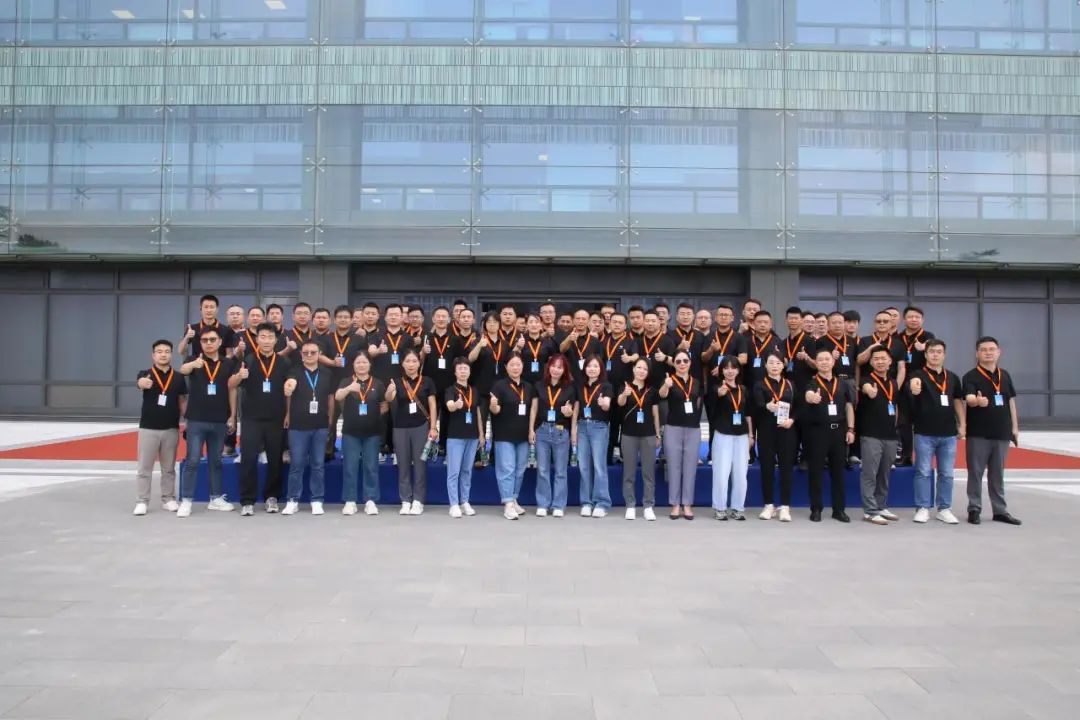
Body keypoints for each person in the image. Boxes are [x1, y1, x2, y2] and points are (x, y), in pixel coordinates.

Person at [230, 323, 290, 516]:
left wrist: (288, 414)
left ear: (276, 340)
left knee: (275, 460)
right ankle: (247, 500)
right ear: (256, 339)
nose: (266, 341)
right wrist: (239, 376)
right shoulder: (248, 359)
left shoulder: (283, 362)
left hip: (276, 418)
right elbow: (230, 384)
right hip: (251, 419)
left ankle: (272, 497)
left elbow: (289, 390)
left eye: (270, 337)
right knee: (248, 459)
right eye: (262, 337)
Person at [177, 328, 237, 518]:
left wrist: (232, 415)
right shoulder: (194, 360)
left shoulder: (228, 363)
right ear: (200, 343)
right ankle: (186, 500)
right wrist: (193, 364)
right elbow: (183, 370)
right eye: (204, 340)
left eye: (212, 339)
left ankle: (215, 498)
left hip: (219, 420)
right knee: (193, 460)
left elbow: (232, 389)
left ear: (220, 342)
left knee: (216, 461)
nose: (209, 343)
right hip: (196, 420)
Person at [963, 337, 1022, 526]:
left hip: (1002, 432)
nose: (988, 352)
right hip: (978, 433)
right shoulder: (971, 376)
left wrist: (1014, 428)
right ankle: (974, 508)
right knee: (975, 472)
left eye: (991, 349)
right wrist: (977, 401)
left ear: (999, 352)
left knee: (998, 474)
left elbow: (1010, 401)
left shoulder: (1005, 375)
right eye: (984, 349)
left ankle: (1000, 510)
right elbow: (969, 398)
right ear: (977, 353)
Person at [906, 338, 963, 525]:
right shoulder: (917, 375)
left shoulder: (952, 377)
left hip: (948, 433)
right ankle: (922, 508)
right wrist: (913, 387)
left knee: (947, 473)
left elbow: (957, 401)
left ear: (944, 355)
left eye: (939, 352)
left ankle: (944, 508)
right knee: (923, 471)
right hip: (924, 432)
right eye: (932, 351)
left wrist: (963, 424)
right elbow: (913, 385)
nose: (935, 355)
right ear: (925, 354)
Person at [133, 339, 187, 515]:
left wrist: (186, 421)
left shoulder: (178, 377)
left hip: (171, 428)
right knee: (144, 468)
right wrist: (142, 383)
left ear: (171, 354)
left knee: (169, 468)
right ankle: (142, 501)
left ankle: (168, 499)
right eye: (159, 351)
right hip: (148, 428)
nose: (163, 354)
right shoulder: (145, 374)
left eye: (166, 351)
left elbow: (182, 400)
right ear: (153, 355)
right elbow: (140, 383)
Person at [802, 348, 856, 523]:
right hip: (818, 432)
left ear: (833, 362)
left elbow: (848, 407)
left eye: (827, 359)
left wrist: (851, 429)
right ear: (816, 363)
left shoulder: (843, 384)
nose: (824, 362)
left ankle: (838, 510)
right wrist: (812, 397)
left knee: (838, 472)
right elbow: (808, 395)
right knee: (816, 471)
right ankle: (816, 509)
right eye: (820, 360)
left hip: (839, 432)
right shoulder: (812, 383)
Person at [282, 340, 335, 515]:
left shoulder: (327, 373)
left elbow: (330, 398)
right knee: (297, 464)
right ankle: (292, 499)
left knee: (318, 464)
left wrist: (330, 419)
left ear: (319, 354)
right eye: (306, 353)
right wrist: (288, 412)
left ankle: (317, 500)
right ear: (301, 354)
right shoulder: (294, 371)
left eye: (313, 352)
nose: (310, 355)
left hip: (320, 425)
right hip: (298, 425)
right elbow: (289, 389)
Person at [386, 349, 438, 515]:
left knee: (420, 464)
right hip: (400, 427)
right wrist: (390, 390)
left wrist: (433, 427)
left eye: (414, 361)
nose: (411, 364)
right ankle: (405, 500)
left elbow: (432, 405)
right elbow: (388, 398)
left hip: (421, 426)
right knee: (403, 464)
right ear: (402, 363)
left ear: (419, 363)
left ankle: (418, 500)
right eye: (407, 361)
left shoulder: (427, 381)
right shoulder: (396, 381)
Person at [336, 353, 387, 516]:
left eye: (364, 362)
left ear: (370, 365)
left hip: (372, 432)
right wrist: (349, 388)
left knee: (371, 466)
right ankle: (350, 500)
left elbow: (384, 405)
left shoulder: (378, 383)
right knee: (350, 467)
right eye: (358, 362)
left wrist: (373, 415)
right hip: (350, 431)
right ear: (353, 365)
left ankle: (370, 500)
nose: (361, 365)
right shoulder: (346, 381)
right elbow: (337, 396)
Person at [530, 354, 578, 517]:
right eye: (553, 366)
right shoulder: (539, 385)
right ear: (548, 367)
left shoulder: (570, 388)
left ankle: (558, 505)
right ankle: (543, 504)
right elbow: (534, 409)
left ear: (564, 370)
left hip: (560, 431)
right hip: (542, 430)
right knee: (542, 469)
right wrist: (531, 429)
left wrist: (568, 412)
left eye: (560, 367)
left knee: (560, 471)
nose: (556, 370)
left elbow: (572, 411)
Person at [857, 346, 900, 526]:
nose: (880, 361)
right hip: (871, 435)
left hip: (890, 435)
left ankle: (881, 506)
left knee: (884, 473)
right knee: (870, 473)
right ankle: (870, 511)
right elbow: (866, 388)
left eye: (883, 358)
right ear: (871, 362)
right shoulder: (867, 380)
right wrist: (870, 391)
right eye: (876, 359)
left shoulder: (893, 383)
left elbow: (895, 406)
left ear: (890, 361)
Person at [489, 354, 535, 520]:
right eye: (512, 365)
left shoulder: (528, 387)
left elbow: (532, 410)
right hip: (504, 434)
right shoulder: (499, 386)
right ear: (506, 367)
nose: (515, 368)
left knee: (520, 469)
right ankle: (507, 502)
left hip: (523, 435)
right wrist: (493, 405)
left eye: (518, 364)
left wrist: (531, 430)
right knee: (507, 469)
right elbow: (495, 410)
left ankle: (514, 498)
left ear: (523, 366)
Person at [659, 349, 703, 520]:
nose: (682, 364)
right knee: (674, 467)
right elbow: (661, 395)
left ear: (690, 363)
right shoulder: (669, 380)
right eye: (678, 361)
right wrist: (666, 385)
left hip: (693, 429)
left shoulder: (696, 382)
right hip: (673, 428)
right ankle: (675, 504)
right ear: (674, 364)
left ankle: (687, 504)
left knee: (690, 467)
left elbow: (698, 403)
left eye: (685, 360)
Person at [753, 353, 795, 522]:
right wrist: (766, 406)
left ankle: (785, 506)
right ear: (765, 366)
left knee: (786, 468)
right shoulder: (759, 384)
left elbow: (799, 407)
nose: (775, 366)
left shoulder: (790, 384)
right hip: (766, 431)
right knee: (767, 468)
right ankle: (768, 504)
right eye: (771, 363)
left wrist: (792, 420)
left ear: (783, 365)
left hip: (786, 430)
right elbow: (756, 405)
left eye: (778, 363)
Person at [617, 358, 661, 521]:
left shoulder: (652, 390)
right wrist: (624, 394)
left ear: (648, 372)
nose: (642, 371)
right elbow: (620, 403)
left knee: (648, 473)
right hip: (629, 434)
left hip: (648, 435)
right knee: (629, 472)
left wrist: (658, 434)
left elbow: (655, 414)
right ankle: (630, 505)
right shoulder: (625, 387)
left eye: (645, 369)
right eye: (639, 367)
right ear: (633, 369)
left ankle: (648, 505)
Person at [710, 358, 752, 521]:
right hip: (723, 435)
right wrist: (718, 395)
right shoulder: (716, 388)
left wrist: (750, 435)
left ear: (738, 370)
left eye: (733, 368)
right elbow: (711, 410)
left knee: (741, 474)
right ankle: (720, 507)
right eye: (726, 368)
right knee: (721, 473)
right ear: (721, 370)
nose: (730, 371)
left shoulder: (744, 389)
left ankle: (738, 507)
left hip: (742, 436)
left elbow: (748, 414)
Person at [319, 305, 361, 461]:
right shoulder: (326, 338)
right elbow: (319, 355)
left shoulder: (358, 339)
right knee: (330, 419)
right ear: (334, 320)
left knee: (352, 419)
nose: (343, 320)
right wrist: (332, 362)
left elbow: (363, 359)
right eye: (340, 317)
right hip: (331, 384)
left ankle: (350, 450)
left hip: (352, 384)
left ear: (351, 320)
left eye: (346, 317)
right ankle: (328, 450)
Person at [443, 358, 483, 518]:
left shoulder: (474, 391)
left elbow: (477, 412)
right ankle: (453, 504)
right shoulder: (450, 390)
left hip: (472, 436)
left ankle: (465, 501)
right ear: (455, 372)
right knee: (454, 471)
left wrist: (481, 434)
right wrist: (455, 405)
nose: (463, 371)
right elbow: (449, 406)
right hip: (455, 436)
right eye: (460, 368)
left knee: (467, 470)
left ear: (469, 371)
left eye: (465, 368)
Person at [898, 306, 935, 466]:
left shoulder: (928, 337)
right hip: (902, 383)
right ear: (904, 319)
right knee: (903, 421)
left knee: (922, 420)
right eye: (910, 317)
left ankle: (923, 458)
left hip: (922, 383)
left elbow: (935, 355)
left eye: (917, 317)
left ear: (922, 320)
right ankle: (906, 455)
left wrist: (926, 348)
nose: (914, 319)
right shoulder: (898, 337)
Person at [577, 355, 613, 518]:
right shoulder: (581, 386)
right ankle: (586, 502)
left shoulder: (606, 386)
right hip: (582, 426)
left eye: (596, 366)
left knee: (599, 466)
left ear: (601, 369)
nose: (592, 369)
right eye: (589, 366)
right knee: (584, 466)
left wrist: (603, 403)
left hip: (599, 427)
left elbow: (607, 405)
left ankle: (602, 502)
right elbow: (576, 407)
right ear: (585, 368)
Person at [603, 313, 639, 463]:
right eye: (614, 322)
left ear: (625, 325)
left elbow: (636, 356)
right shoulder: (603, 341)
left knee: (624, 423)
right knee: (609, 424)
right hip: (606, 388)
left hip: (624, 389)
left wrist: (630, 358)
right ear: (609, 323)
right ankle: (607, 457)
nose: (617, 325)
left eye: (620, 322)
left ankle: (625, 456)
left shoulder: (631, 342)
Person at [178, 294, 235, 359]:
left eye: (212, 307)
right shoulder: (192, 328)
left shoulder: (227, 330)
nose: (209, 310)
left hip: (219, 364)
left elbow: (230, 354)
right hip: (197, 364)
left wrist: (222, 363)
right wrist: (186, 337)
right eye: (206, 307)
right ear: (200, 309)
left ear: (217, 309)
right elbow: (181, 351)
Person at [559, 309, 603, 387]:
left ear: (588, 321)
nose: (580, 321)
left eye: (583, 319)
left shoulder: (595, 341)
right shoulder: (565, 336)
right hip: (569, 379)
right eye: (578, 319)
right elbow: (561, 350)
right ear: (573, 321)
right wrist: (569, 339)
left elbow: (599, 362)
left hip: (588, 380)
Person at [668, 302, 707, 385]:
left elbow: (704, 359)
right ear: (677, 317)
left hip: (696, 379)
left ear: (693, 317)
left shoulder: (700, 335)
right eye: (682, 314)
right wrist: (679, 348)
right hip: (675, 381)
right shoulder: (669, 335)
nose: (685, 317)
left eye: (688, 314)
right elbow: (667, 358)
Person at [520, 313, 557, 386]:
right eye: (531, 322)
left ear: (541, 325)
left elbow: (553, 361)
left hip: (543, 381)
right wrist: (518, 347)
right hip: (524, 381)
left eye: (537, 322)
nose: (534, 325)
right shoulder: (521, 341)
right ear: (526, 325)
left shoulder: (548, 343)